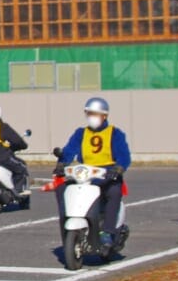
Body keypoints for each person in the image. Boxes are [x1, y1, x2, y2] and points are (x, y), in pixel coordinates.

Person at [57, 96, 132, 245]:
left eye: (95, 114)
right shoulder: (81, 133)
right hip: (85, 173)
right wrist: (62, 163)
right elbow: (69, 150)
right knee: (62, 189)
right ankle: (67, 228)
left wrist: (118, 168)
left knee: (113, 192)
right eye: (89, 114)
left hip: (107, 172)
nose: (91, 117)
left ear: (104, 116)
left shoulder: (115, 133)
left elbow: (124, 155)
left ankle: (108, 231)